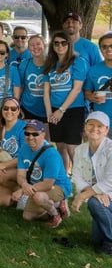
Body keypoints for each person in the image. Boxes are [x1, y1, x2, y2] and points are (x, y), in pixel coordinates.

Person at [42, 30, 89, 172]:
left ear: (69, 45)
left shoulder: (78, 61)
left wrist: (61, 110)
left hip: (73, 110)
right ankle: (65, 177)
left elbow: (76, 89)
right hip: (54, 110)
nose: (60, 46)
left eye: (63, 43)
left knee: (72, 147)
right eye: (56, 43)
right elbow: (46, 92)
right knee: (60, 146)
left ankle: (82, 180)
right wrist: (49, 112)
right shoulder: (50, 64)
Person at [13, 119, 72, 228]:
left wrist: (22, 190)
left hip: (58, 186)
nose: (30, 137)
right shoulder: (24, 148)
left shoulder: (51, 154)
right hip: (37, 185)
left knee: (39, 197)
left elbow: (48, 184)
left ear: (43, 134)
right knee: (27, 216)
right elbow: (20, 175)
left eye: (35, 134)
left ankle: (55, 214)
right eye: (27, 133)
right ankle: (55, 204)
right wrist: (25, 185)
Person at [71, 112, 112, 253]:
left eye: (100, 126)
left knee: (94, 204)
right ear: (85, 127)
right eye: (91, 124)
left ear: (106, 130)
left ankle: (110, 242)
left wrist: (83, 196)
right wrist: (94, 193)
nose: (95, 129)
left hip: (109, 194)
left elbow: (110, 181)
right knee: (96, 239)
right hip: (100, 196)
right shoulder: (80, 149)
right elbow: (76, 176)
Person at [0, 98, 27, 207]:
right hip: (5, 168)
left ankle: (25, 192)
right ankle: (19, 190)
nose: (9, 111)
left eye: (13, 109)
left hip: (22, 168)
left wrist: (2, 166)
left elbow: (25, 157)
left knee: (1, 177)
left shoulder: (23, 128)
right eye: (6, 108)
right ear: (1, 110)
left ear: (18, 111)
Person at [15, 34, 47, 121]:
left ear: (44, 45)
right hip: (28, 109)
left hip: (49, 110)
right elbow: (20, 87)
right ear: (28, 48)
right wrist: (17, 105)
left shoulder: (52, 63)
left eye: (38, 44)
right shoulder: (24, 65)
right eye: (32, 45)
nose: (35, 47)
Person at [84, 32, 112, 124]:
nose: (108, 49)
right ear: (100, 49)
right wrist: (91, 97)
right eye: (104, 47)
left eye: (111, 46)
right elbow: (87, 92)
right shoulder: (93, 70)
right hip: (102, 122)